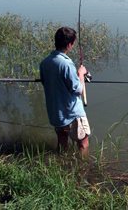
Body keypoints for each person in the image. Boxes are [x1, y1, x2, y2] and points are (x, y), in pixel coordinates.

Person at [39, 27, 91, 158]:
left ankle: (62, 166)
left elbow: (46, 83)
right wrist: (81, 74)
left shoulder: (45, 63)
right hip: (73, 113)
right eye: (73, 43)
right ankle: (83, 169)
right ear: (69, 44)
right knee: (83, 143)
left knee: (62, 142)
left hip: (57, 114)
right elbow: (78, 90)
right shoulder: (66, 64)